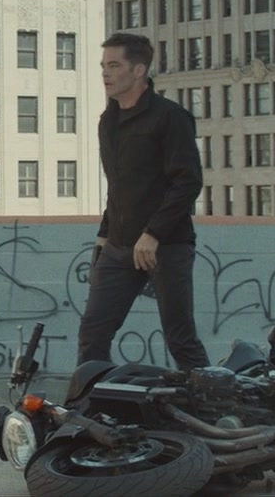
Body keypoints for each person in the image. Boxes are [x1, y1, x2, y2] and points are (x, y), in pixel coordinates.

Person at [76, 32, 209, 371]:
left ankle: (213, 400)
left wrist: (153, 233)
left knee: (180, 338)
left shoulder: (170, 117)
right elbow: (119, 186)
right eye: (103, 66)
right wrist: (104, 235)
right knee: (93, 332)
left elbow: (188, 182)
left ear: (138, 71)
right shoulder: (108, 121)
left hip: (166, 245)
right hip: (119, 247)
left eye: (114, 66)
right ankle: (92, 400)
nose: (105, 74)